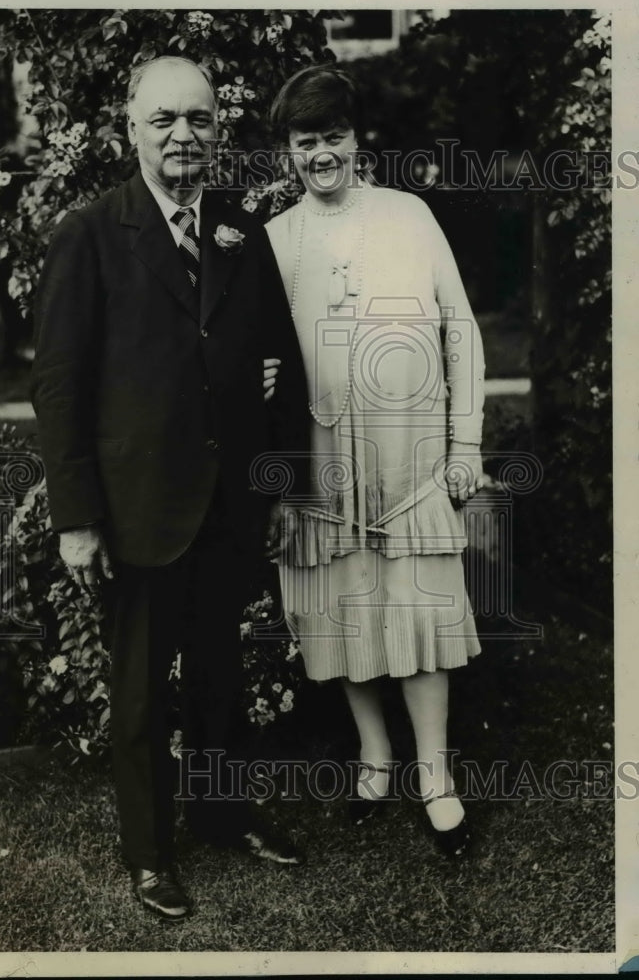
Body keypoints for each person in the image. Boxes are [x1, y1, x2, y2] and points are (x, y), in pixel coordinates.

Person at [31, 56, 310, 920]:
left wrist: (282, 488)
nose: (183, 135)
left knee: (223, 677)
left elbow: (282, 366)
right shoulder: (90, 231)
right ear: (131, 130)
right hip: (138, 512)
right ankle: (151, 857)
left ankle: (227, 820)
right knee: (145, 694)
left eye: (198, 119)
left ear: (218, 132)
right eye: (164, 121)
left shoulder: (237, 228)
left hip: (230, 509)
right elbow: (59, 386)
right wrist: (76, 521)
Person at [265, 66, 486, 857]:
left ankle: (435, 774)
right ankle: (374, 757)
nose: (319, 155)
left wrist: (466, 445)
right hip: (323, 466)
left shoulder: (409, 216)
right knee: (347, 607)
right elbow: (259, 355)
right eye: (303, 142)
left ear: (356, 141)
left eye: (331, 138)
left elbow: (459, 329)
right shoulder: (276, 239)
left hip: (411, 456)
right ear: (287, 153)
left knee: (419, 608)